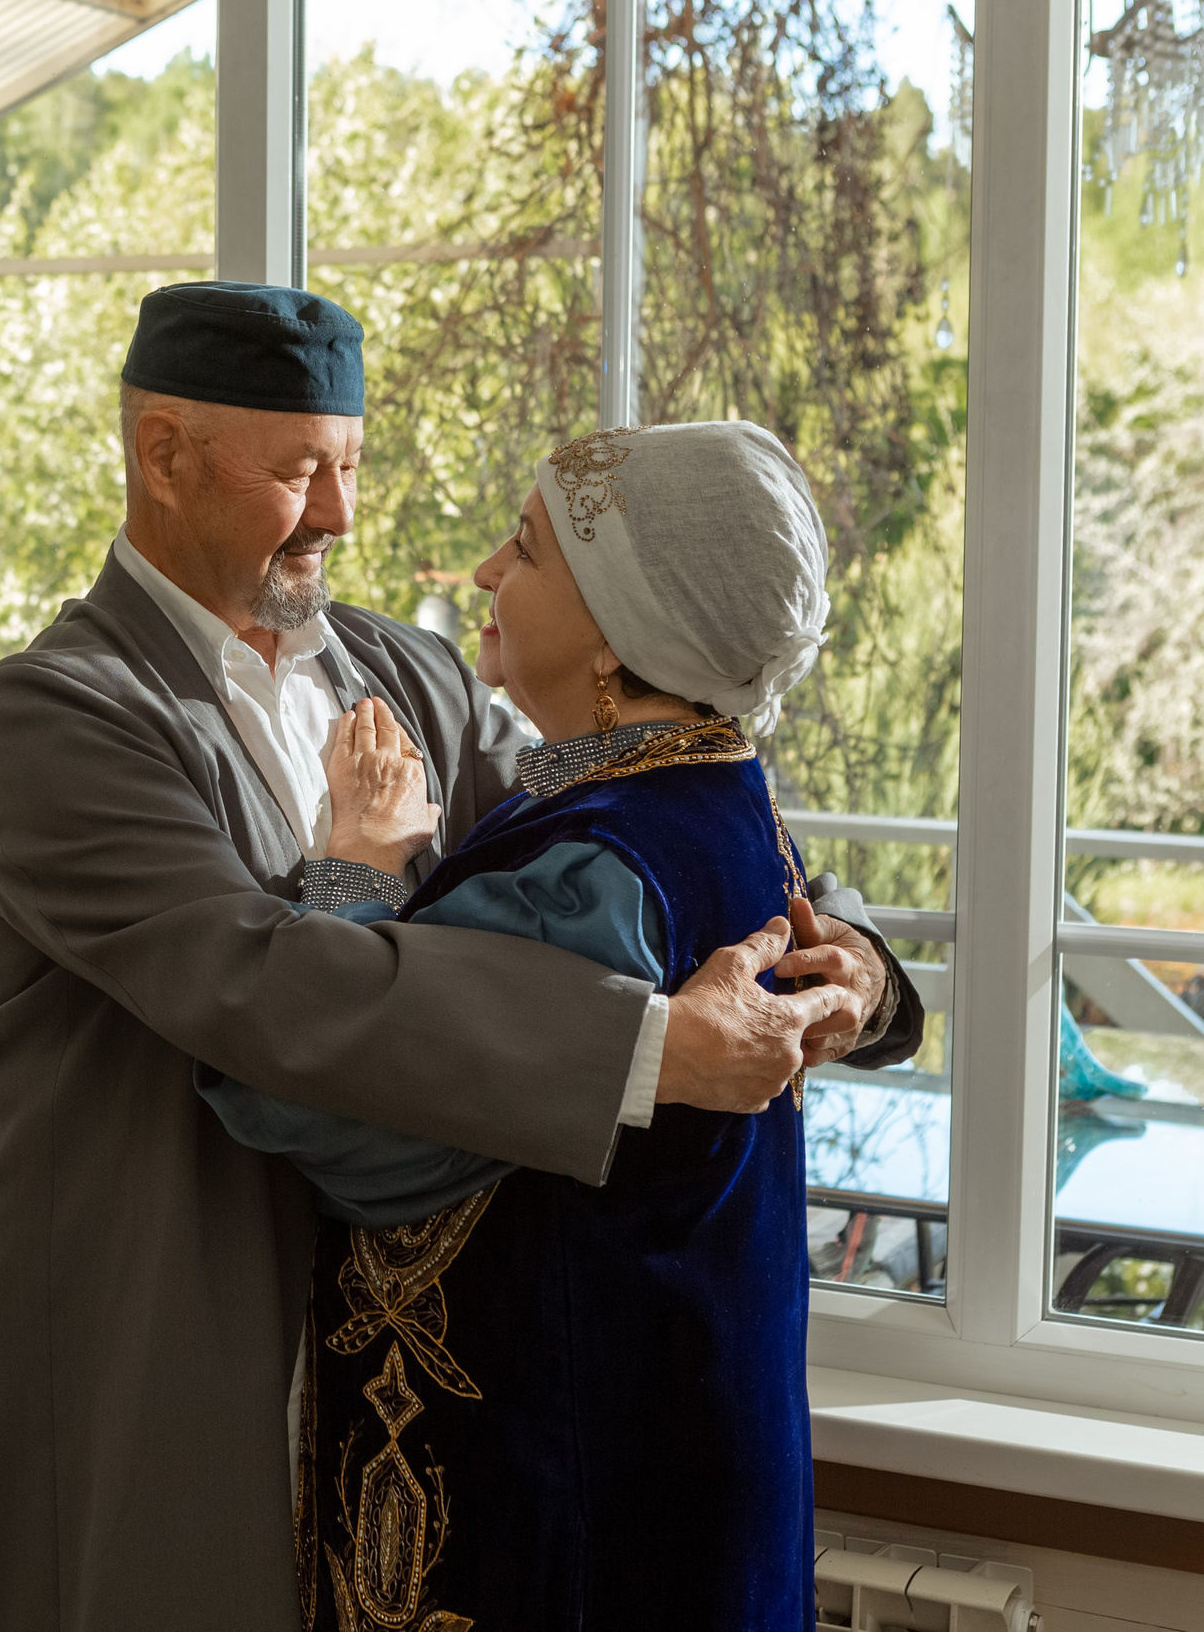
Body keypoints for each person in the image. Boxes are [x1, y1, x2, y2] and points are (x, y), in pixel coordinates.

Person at [0, 282, 924, 1632]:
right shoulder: (62, 711)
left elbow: (638, 815)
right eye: (300, 471)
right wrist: (651, 1045)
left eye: (350, 461)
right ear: (162, 457)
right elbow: (250, 983)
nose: (344, 514)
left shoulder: (403, 669)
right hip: (161, 1321)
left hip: (400, 1369)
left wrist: (855, 967)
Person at [205, 419, 892, 1629]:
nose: (482, 573)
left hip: (563, 1475)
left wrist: (354, 872)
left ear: (619, 628)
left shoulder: (590, 866)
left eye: (523, 551)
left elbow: (322, 1108)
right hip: (682, 1421)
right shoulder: (720, 787)